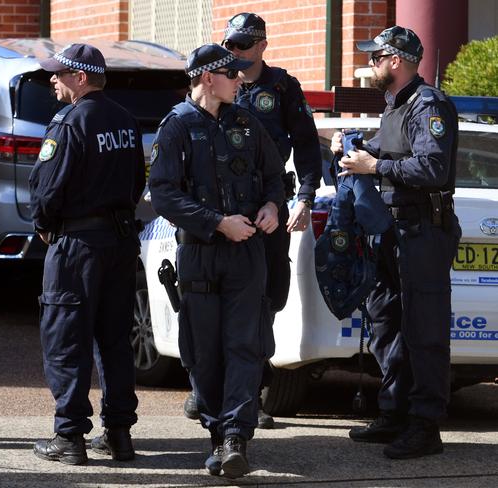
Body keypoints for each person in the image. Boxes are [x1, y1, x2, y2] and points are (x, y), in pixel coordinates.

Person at [149, 44, 284, 478]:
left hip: (246, 255)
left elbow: (274, 176)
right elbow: (164, 193)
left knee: (245, 346)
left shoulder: (247, 122)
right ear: (208, 78)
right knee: (203, 351)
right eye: (233, 73)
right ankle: (216, 433)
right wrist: (216, 223)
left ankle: (235, 439)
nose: (241, 79)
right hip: (201, 253)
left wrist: (272, 207)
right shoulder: (176, 127)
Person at [184, 11, 323, 429]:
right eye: (230, 45)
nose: (235, 53)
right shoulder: (216, 81)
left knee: (267, 298)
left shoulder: (281, 87)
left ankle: (250, 390)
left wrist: (303, 197)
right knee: (208, 299)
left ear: (262, 45)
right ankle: (209, 391)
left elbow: (306, 145)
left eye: (243, 45)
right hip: (218, 208)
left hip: (266, 204)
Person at [330, 26, 461, 459]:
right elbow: (385, 153)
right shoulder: (395, 107)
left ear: (396, 61)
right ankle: (395, 413)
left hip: (423, 231)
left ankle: (425, 426)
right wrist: (352, 152)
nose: (370, 65)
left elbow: (432, 169)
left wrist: (375, 164)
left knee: (425, 330)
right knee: (386, 320)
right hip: (392, 232)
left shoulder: (429, 105)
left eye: (375, 57)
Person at [29, 43, 145, 466]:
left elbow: (46, 188)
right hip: (119, 243)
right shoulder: (126, 120)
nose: (53, 81)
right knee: (114, 339)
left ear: (81, 78)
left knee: (66, 338)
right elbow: (136, 184)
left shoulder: (69, 121)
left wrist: (44, 224)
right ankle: (119, 434)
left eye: (59, 74)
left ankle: (70, 436)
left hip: (77, 248)